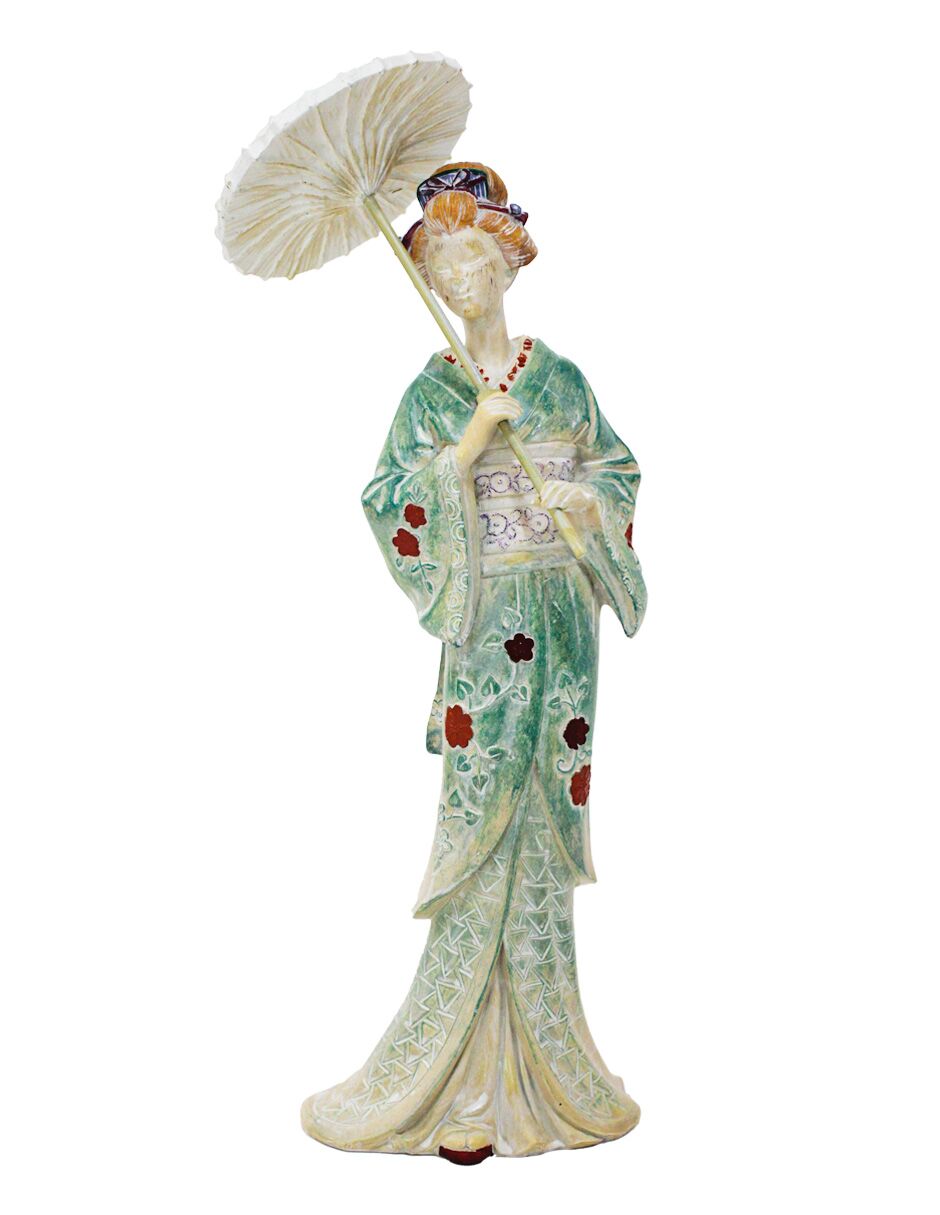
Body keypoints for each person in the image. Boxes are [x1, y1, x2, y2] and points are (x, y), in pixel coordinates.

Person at [302, 163, 647, 1162]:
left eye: (473, 261)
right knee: (480, 813)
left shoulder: (560, 378)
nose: (460, 281)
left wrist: (582, 505)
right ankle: (454, 1073)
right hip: (489, 620)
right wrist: (464, 449)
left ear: (507, 263)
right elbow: (388, 498)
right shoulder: (435, 391)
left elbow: (617, 470)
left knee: (544, 815)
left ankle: (551, 1063)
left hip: (560, 617)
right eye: (442, 268)